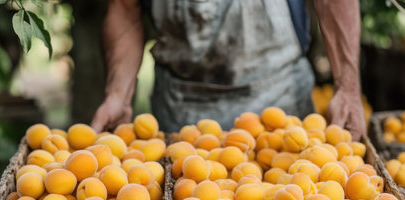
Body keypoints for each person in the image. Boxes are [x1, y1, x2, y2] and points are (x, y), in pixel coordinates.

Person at [91, 0, 366, 140]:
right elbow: (125, 10)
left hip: (280, 106)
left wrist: (348, 87)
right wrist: (117, 94)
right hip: (181, 112)